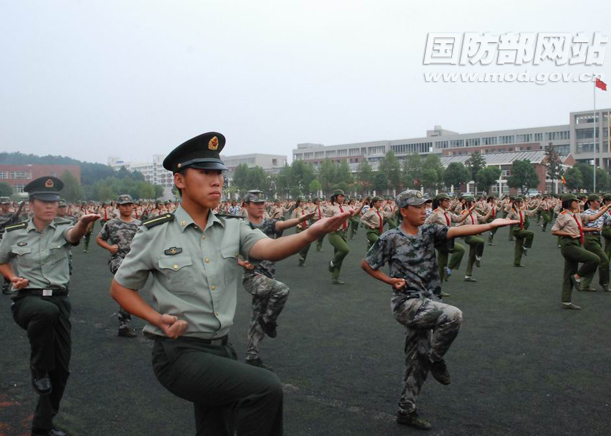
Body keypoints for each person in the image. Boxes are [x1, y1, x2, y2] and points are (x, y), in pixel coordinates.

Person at [110, 132, 351, 436]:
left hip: (221, 350)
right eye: (205, 173)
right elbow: (120, 287)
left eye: (219, 174)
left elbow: (269, 249)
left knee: (215, 428)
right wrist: (156, 318)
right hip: (179, 354)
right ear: (180, 180)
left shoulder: (232, 227)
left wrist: (311, 233)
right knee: (264, 388)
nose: (216, 181)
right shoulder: (155, 233)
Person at [361, 190, 517, 430]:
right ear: (404, 211)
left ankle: (406, 410)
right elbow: (367, 264)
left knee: (416, 360)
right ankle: (436, 359)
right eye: (418, 206)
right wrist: (390, 280)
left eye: (426, 206)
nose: (424, 210)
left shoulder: (429, 232)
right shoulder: (390, 238)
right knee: (453, 315)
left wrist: (490, 225)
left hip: (429, 300)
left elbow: (458, 231)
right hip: (407, 304)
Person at [0, 176, 101, 436]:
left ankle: (42, 426)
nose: (49, 207)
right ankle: (38, 368)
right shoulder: (14, 233)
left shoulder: (64, 228)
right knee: (45, 312)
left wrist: (82, 223)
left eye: (53, 202)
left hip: (58, 299)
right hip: (27, 300)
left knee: (62, 371)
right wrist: (12, 277)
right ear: (32, 203)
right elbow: (2, 261)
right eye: (43, 202)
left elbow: (73, 235)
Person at [240, 190, 313, 370]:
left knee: (256, 317)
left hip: (269, 275)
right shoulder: (241, 227)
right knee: (281, 290)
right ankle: (270, 321)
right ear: (245, 205)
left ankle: (252, 356)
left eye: (262, 203)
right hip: (253, 276)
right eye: (256, 203)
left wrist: (300, 220)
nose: (260, 206)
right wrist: (241, 262)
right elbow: (226, 249)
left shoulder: (268, 223)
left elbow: (282, 225)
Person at [551, 194, 611, 310]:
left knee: (568, 274)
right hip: (568, 245)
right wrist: (568, 234)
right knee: (594, 259)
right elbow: (554, 231)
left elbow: (593, 218)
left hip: (576, 243)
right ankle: (577, 277)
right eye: (575, 201)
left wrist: (607, 207)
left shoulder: (577, 215)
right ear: (569, 203)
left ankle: (566, 301)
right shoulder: (563, 215)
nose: (578, 202)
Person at [96, 194, 142, 338]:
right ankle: (124, 323)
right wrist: (109, 247)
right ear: (118, 207)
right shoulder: (111, 224)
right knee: (127, 284)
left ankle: (125, 320)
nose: (127, 207)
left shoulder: (139, 224)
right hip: (118, 259)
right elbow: (99, 239)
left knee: (129, 289)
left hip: (134, 260)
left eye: (130, 204)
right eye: (124, 205)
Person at [323, 190, 366, 285]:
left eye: (343, 196)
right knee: (344, 250)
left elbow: (354, 214)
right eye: (340, 196)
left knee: (340, 256)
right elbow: (324, 220)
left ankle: (335, 277)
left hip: (343, 233)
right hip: (334, 233)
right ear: (335, 197)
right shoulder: (330, 208)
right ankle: (332, 262)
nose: (342, 198)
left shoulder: (346, 207)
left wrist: (362, 205)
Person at [507, 197, 540, 267]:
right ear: (517, 203)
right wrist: (512, 221)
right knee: (530, 233)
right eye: (521, 202)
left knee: (518, 246)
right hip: (516, 229)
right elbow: (507, 218)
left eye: (522, 202)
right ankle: (525, 247)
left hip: (521, 228)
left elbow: (531, 213)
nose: (522, 203)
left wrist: (537, 207)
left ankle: (517, 262)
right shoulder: (513, 210)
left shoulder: (522, 210)